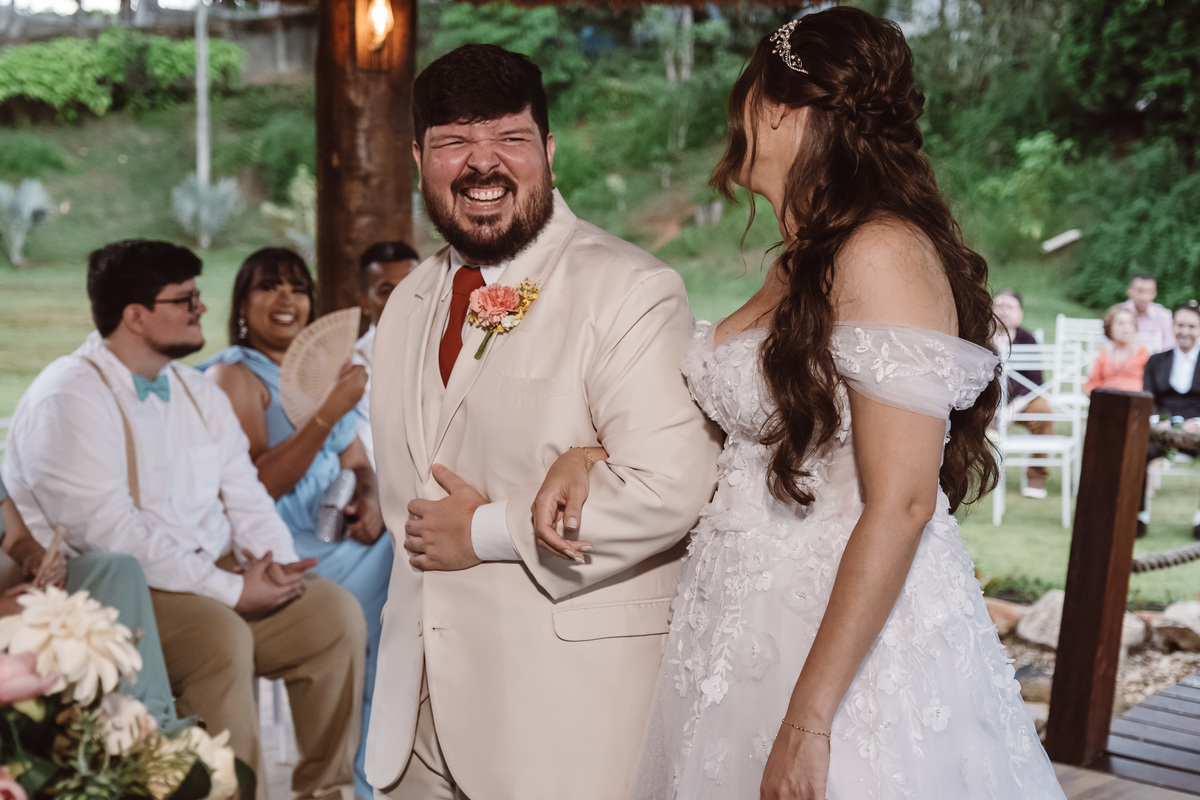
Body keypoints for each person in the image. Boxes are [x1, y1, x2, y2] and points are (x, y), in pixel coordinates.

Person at [532, 9, 1066, 799]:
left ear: (779, 106)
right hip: (733, 631)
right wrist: (593, 455)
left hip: (840, 650)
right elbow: (755, 432)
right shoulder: (800, 263)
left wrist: (810, 719)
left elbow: (906, 500)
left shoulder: (880, 252)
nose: (734, 115)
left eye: (744, 93)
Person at [366, 44, 723, 800]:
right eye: (454, 142)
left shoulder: (629, 287)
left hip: (561, 723)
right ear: (419, 159)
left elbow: (672, 488)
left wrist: (486, 532)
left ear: (549, 152)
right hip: (414, 731)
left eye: (510, 139)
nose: (481, 164)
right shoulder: (406, 303)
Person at [0, 239, 365, 800]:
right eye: (186, 299)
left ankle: (328, 792)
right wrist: (232, 591)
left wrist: (279, 568)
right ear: (136, 316)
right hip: (110, 587)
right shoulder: (67, 396)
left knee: (333, 614)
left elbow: (243, 494)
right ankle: (227, 792)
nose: (201, 308)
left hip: (201, 569)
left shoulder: (196, 390)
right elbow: (112, 534)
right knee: (219, 636)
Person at [201, 247, 391, 800]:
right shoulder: (233, 376)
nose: (286, 299)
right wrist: (331, 407)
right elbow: (256, 485)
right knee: (403, 598)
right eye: (268, 287)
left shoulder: (317, 370)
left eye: (297, 288)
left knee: (421, 579)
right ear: (243, 303)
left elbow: (356, 461)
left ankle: (387, 769)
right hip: (286, 542)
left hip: (345, 529)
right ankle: (357, 781)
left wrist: (372, 497)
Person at [1, 477, 183, 731]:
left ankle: (150, 723)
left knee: (117, 570)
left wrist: (36, 558)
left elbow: (14, 537)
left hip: (14, 589)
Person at [354, 241, 420, 468]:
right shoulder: (354, 365)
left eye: (412, 287)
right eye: (386, 290)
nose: (403, 298)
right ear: (364, 301)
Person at [1139, 303, 1200, 539]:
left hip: (1196, 428)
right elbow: (1147, 397)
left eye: (1192, 326)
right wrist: (1158, 422)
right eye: (1180, 325)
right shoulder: (1156, 361)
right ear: (1173, 327)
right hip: (1161, 428)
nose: (1185, 331)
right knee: (1138, 450)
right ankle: (1138, 516)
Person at [992, 288, 1053, 498]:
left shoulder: (1028, 339)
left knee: (1043, 411)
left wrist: (1012, 408)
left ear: (1021, 313)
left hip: (1019, 402)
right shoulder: (980, 335)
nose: (1003, 310)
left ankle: (1036, 477)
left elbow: (1036, 382)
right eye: (998, 305)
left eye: (1010, 306)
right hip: (985, 402)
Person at [1085, 304, 1149, 395]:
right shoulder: (1103, 355)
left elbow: (1152, 384)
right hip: (1108, 401)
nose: (1126, 327)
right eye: (1120, 323)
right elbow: (1091, 385)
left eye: (1131, 323)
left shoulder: (1143, 354)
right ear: (1110, 328)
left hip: (1136, 401)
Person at [1122, 273, 1175, 354]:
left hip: (1156, 364)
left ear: (1155, 293)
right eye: (1140, 291)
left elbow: (1169, 347)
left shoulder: (1163, 315)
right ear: (1130, 291)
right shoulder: (1119, 313)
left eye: (1149, 292)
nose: (1145, 297)